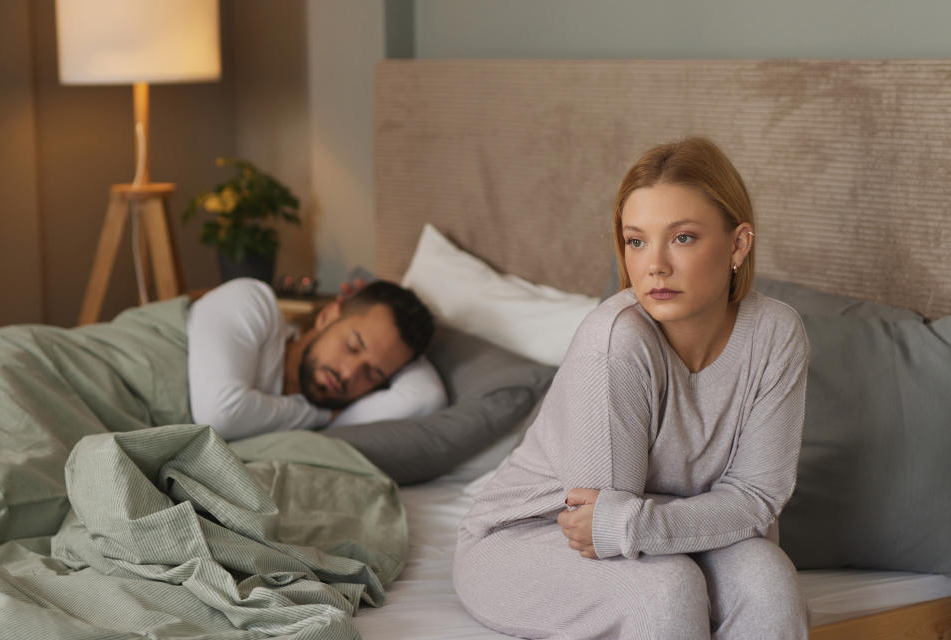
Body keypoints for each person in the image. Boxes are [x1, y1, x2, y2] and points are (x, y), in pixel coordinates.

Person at [453, 137, 810, 639]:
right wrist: (642, 522)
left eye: (682, 237)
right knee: (665, 589)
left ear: (738, 244)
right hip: (531, 536)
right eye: (636, 240)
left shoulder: (776, 333)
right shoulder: (615, 342)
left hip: (653, 528)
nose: (654, 265)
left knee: (769, 580)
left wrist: (639, 523)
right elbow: (598, 523)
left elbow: (755, 499)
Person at [187, 277, 444, 441]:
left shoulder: (305, 424)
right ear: (327, 316)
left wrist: (398, 358)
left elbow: (425, 397)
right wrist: (322, 415)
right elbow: (221, 416)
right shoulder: (253, 302)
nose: (348, 373)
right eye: (353, 346)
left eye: (372, 373)